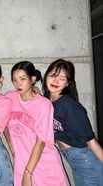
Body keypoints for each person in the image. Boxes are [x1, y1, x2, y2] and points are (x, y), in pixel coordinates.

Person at [4, 61, 69, 186]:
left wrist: (28, 173)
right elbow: (4, 123)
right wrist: (10, 142)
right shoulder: (10, 98)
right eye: (15, 80)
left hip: (43, 164)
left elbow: (41, 142)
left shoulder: (44, 104)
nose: (18, 84)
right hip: (22, 162)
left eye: (22, 79)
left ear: (32, 79)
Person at [42, 58, 103, 186]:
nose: (56, 80)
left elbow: (91, 140)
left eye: (62, 78)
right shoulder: (46, 100)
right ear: (46, 76)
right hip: (74, 162)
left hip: (86, 162)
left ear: (68, 83)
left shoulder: (69, 106)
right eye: (52, 75)